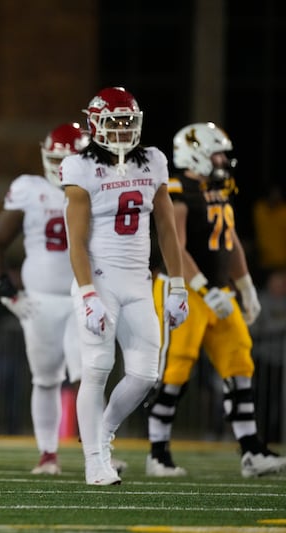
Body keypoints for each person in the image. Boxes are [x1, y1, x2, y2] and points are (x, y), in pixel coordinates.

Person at [61, 86, 189, 486]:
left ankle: (102, 434)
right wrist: (86, 294)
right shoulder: (79, 166)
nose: (120, 130)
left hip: (138, 281)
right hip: (99, 280)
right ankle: (93, 461)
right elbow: (76, 240)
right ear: (95, 125)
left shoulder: (152, 160)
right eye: (113, 122)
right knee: (96, 369)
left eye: (126, 122)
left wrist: (179, 285)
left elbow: (167, 229)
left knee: (145, 374)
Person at [145, 122, 286, 478]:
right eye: (217, 153)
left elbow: (230, 240)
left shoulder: (218, 189)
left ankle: (251, 450)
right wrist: (205, 289)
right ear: (195, 153)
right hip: (184, 290)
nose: (223, 159)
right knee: (175, 369)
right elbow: (174, 246)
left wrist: (246, 285)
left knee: (240, 365)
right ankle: (157, 452)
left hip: (218, 292)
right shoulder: (177, 189)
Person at [0, 122, 90, 473]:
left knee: (89, 375)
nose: (59, 165)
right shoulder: (29, 189)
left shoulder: (95, 185)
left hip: (81, 296)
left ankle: (96, 449)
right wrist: (5, 290)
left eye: (66, 158)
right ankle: (48, 454)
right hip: (41, 299)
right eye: (55, 157)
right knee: (45, 379)